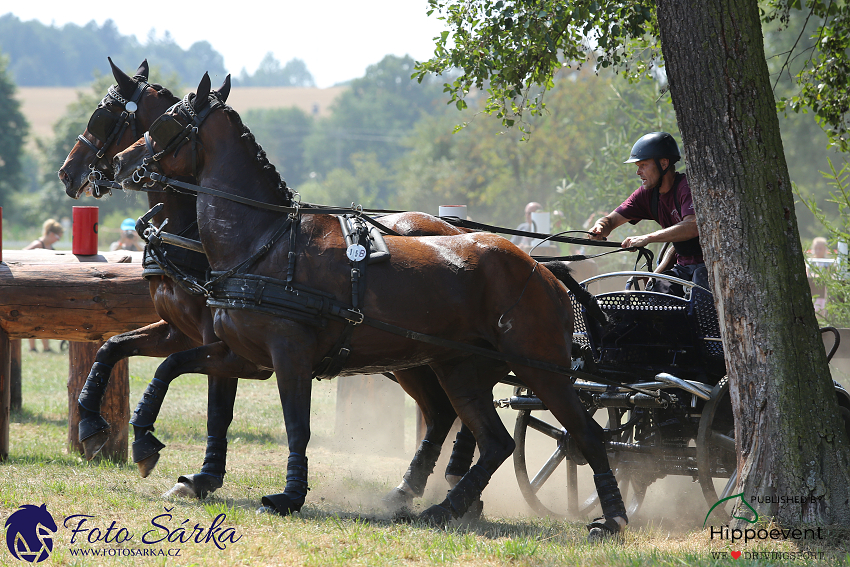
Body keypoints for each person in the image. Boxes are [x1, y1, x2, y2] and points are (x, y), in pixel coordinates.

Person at [588, 132, 708, 296]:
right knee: (655, 301)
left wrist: (647, 238)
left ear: (664, 163)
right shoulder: (646, 194)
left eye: (643, 165)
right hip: (682, 269)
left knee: (702, 304)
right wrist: (600, 227)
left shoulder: (686, 187)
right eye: (638, 167)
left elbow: (693, 226)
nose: (638, 172)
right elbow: (610, 220)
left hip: (708, 267)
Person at [24, 219, 64, 352]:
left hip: (44, 287)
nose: (58, 240)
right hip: (31, 286)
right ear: (50, 233)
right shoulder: (37, 244)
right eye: (57, 236)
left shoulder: (51, 248)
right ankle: (32, 347)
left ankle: (46, 347)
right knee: (32, 318)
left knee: (43, 317)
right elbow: (21, 256)